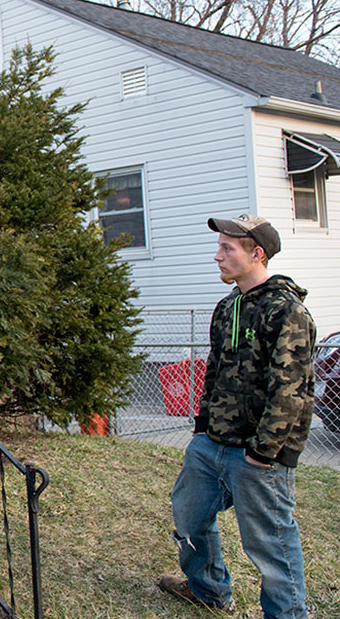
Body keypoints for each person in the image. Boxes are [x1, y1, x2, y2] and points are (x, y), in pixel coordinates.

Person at [159, 214, 315, 619]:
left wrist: (263, 453)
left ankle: (287, 614)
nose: (218, 256)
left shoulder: (287, 311)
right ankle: (208, 590)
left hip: (257, 454)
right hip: (211, 443)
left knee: (270, 542)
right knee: (189, 519)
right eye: (219, 247)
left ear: (257, 254)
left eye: (228, 248)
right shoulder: (227, 308)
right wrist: (201, 429)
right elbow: (214, 371)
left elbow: (291, 391)